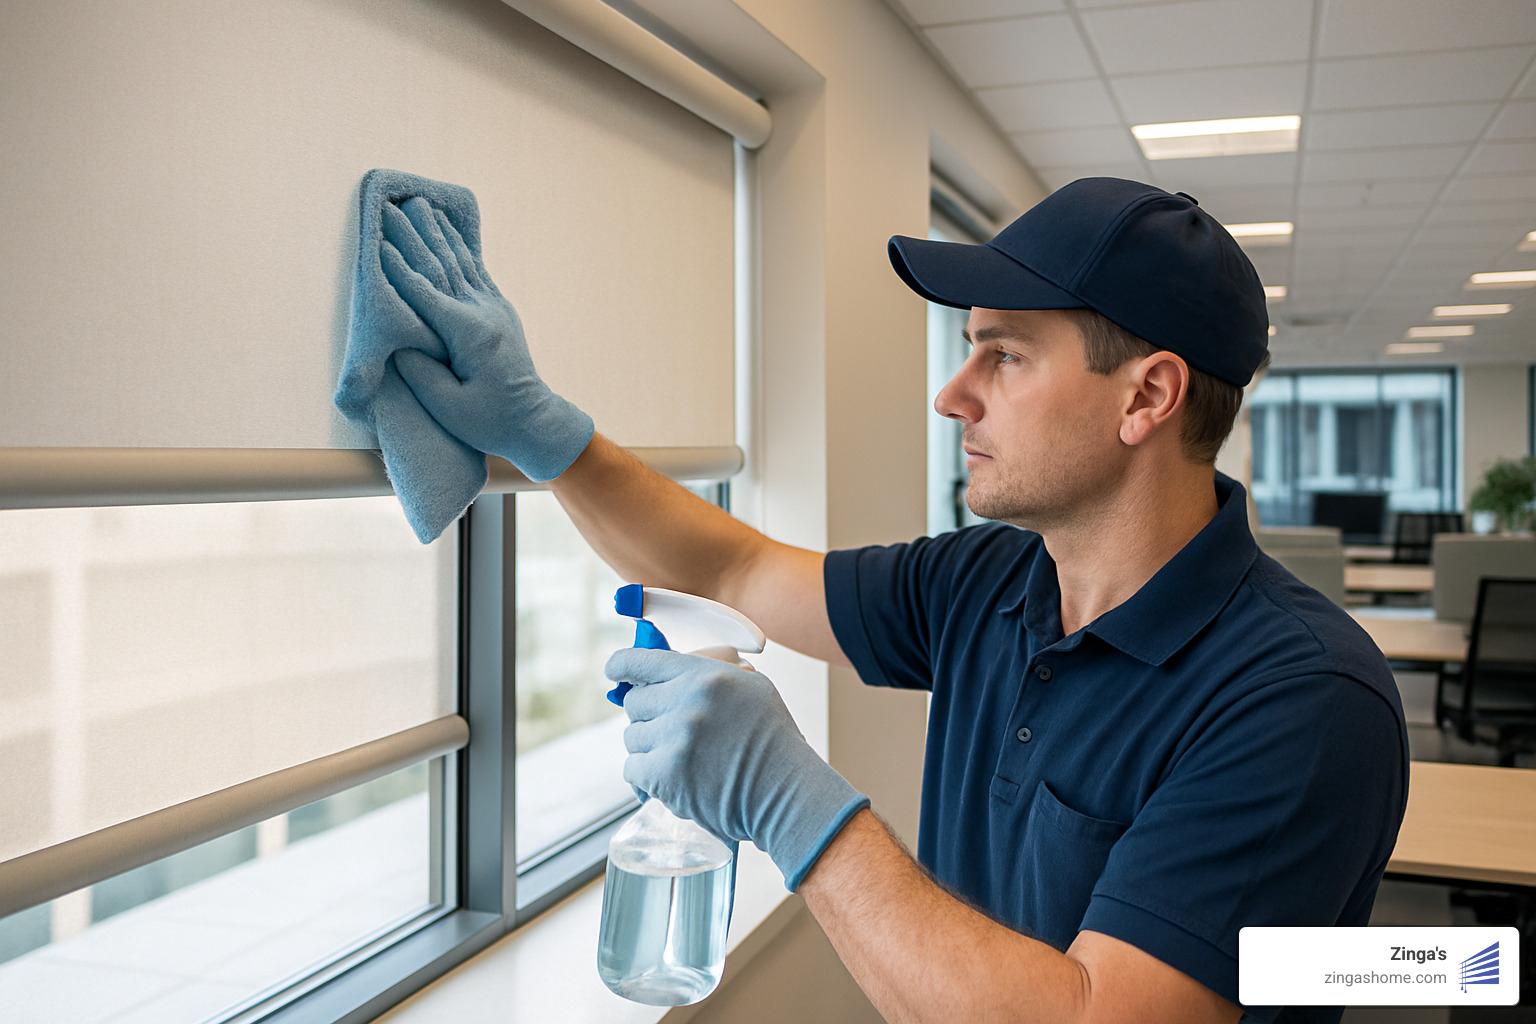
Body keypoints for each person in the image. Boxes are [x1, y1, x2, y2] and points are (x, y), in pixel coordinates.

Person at [386, 176, 1409, 1023]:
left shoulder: (1302, 701)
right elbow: (732, 569)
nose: (953, 392)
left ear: (1147, 395)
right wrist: (546, 436)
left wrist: (797, 807)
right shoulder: (989, 581)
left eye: (1004, 354)